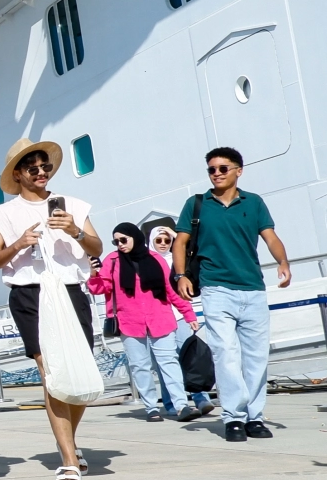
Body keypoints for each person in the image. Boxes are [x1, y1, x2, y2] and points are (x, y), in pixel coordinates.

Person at [0, 138, 103, 480]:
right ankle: (68, 458)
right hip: (30, 293)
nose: (41, 172)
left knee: (79, 368)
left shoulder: (74, 206)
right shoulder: (2, 214)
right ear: (18, 174)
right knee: (51, 373)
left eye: (45, 167)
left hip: (69, 289)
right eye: (32, 168)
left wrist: (75, 231)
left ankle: (67, 439)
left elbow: (96, 247)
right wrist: (18, 244)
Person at [174, 147, 292, 442]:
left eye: (222, 168)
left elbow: (270, 237)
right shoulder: (197, 204)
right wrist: (180, 275)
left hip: (252, 288)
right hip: (216, 288)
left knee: (255, 357)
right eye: (211, 169)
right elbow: (180, 242)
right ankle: (234, 418)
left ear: (239, 170)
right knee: (226, 354)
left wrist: (283, 262)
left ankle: (255, 416)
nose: (216, 174)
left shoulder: (254, 203)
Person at [89, 223, 201, 422]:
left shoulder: (155, 258)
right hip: (129, 322)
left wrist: (188, 314)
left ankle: (181, 405)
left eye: (123, 240)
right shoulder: (112, 261)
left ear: (135, 237)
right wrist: (93, 274)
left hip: (160, 319)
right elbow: (100, 289)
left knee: (169, 362)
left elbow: (170, 290)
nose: (120, 244)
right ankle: (151, 407)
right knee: (140, 365)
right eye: (116, 241)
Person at [145, 217, 215, 416]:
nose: (163, 244)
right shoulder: (148, 262)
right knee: (166, 363)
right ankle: (171, 403)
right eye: (159, 240)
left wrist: (176, 237)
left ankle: (202, 399)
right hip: (159, 318)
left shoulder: (178, 260)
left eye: (167, 241)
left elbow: (193, 251)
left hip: (180, 316)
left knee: (191, 358)